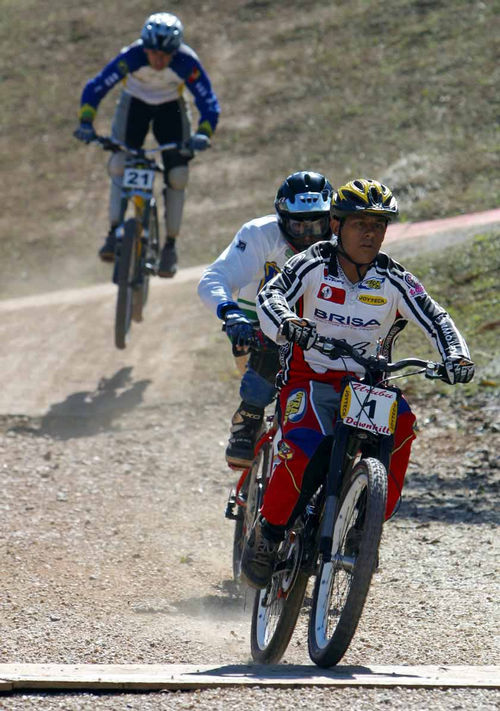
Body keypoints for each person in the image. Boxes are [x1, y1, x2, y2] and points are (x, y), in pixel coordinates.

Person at [241, 178, 475, 589]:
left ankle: (365, 527)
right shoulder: (311, 263)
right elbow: (271, 295)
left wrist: (456, 356)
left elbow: (435, 316)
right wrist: (289, 323)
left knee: (403, 425)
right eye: (360, 224)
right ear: (337, 225)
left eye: (379, 226)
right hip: (308, 377)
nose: (370, 234)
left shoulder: (393, 276)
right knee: (299, 446)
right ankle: (268, 534)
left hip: (367, 382)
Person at [197, 171, 334, 468]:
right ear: (281, 219)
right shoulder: (259, 234)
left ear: (332, 220)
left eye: (317, 224)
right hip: (256, 327)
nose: (309, 235)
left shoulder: (341, 241)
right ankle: (249, 415)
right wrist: (229, 312)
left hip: (317, 329)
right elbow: (215, 278)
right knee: (272, 352)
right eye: (298, 224)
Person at [74, 12, 220, 277]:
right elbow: (96, 88)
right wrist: (86, 122)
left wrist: (204, 133)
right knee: (119, 162)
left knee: (177, 175)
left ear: (176, 52)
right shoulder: (131, 56)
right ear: (145, 48)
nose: (158, 60)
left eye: (166, 55)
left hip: (170, 111)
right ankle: (114, 230)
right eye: (153, 53)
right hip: (134, 107)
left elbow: (208, 102)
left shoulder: (187, 63)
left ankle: (170, 246)